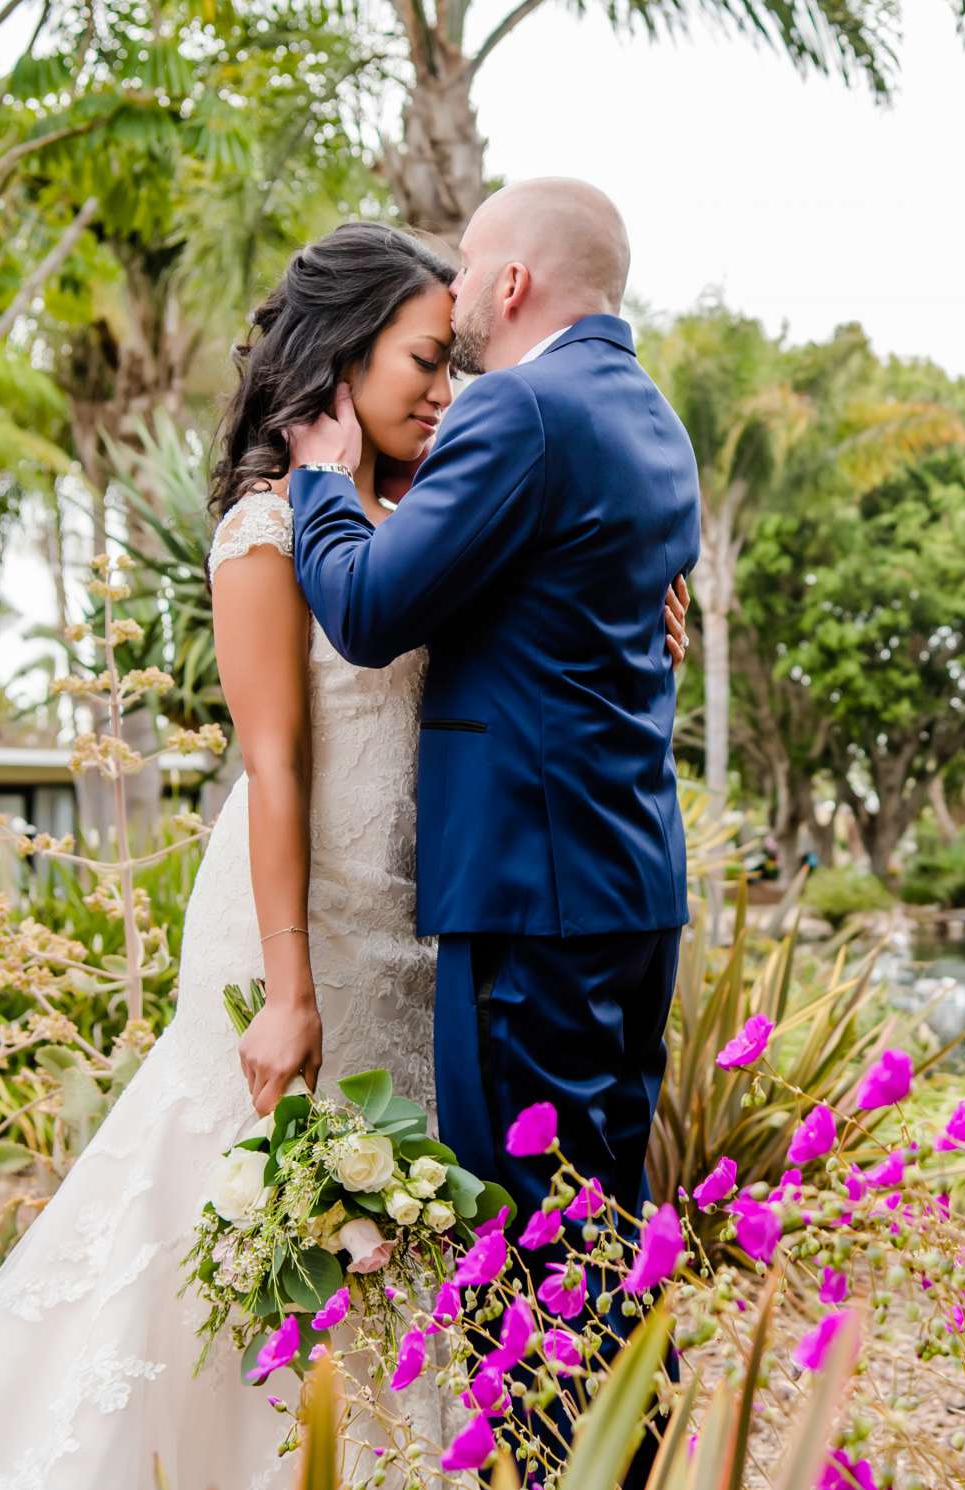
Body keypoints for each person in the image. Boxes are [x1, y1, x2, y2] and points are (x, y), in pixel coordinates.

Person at [0, 219, 690, 1490]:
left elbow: (545, 634)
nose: (448, 391)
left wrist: (641, 617)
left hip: (425, 926)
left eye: (455, 364)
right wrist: (288, 992)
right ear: (340, 365)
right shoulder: (268, 532)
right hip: (306, 917)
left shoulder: (438, 505)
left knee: (428, 1245)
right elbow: (274, 768)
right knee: (260, 1233)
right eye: (423, 362)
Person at [284, 177, 702, 1479]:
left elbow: (363, 609)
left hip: (528, 900)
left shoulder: (520, 407)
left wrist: (319, 485)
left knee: (528, 1242)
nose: (454, 295)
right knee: (606, 1232)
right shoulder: (650, 416)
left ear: (510, 284)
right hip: (627, 889)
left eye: (466, 270)